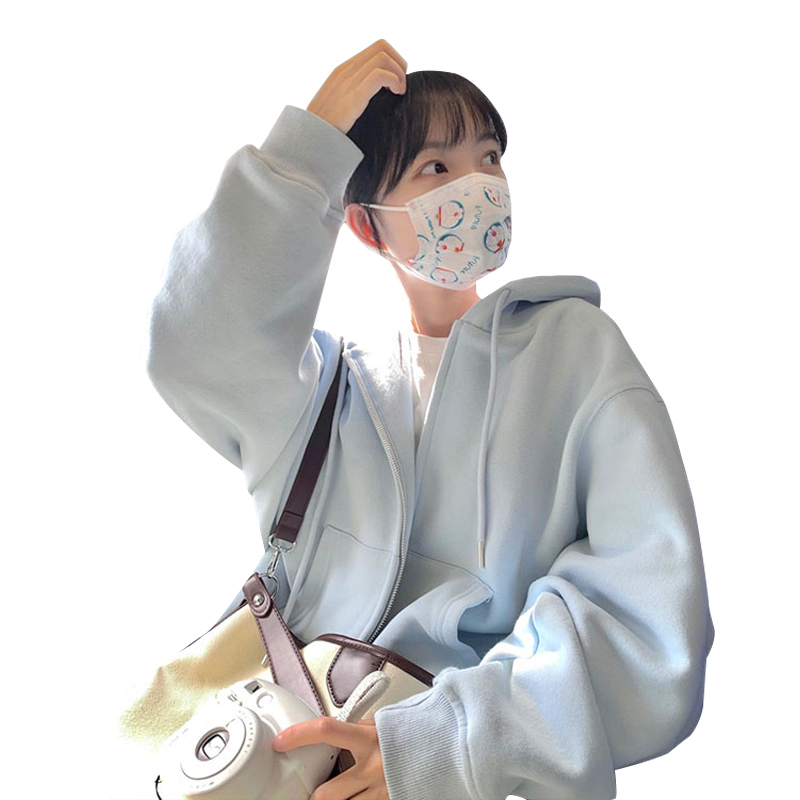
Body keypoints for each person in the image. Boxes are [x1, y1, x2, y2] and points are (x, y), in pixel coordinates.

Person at [145, 38, 715, 800]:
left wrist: (441, 745)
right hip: (273, 758)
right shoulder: (328, 388)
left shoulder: (577, 353)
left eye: (490, 157)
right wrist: (309, 147)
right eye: (436, 169)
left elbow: (649, 622)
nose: (476, 184)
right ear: (366, 225)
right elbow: (196, 344)